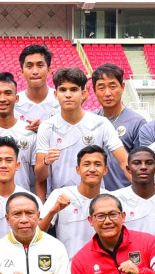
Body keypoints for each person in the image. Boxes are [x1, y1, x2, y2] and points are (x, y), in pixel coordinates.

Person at [33, 67, 127, 197]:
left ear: (83, 93)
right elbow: (39, 176)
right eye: (63, 90)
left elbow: (124, 162)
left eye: (73, 89)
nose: (68, 95)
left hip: (94, 199)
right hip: (61, 200)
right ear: (55, 94)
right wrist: (46, 162)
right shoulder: (47, 126)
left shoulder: (101, 123)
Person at [39, 145, 110, 257]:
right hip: (68, 264)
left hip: (103, 263)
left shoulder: (111, 199)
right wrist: (52, 212)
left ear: (105, 170)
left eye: (97, 164)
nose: (92, 169)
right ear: (78, 169)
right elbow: (37, 233)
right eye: (86, 164)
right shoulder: (60, 194)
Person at [90, 63, 148, 187]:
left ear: (122, 87)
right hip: (94, 193)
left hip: (124, 193)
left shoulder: (137, 123)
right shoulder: (90, 120)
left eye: (112, 86)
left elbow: (142, 164)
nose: (107, 93)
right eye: (101, 87)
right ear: (94, 90)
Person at [115, 147, 155, 237]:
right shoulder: (116, 199)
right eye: (137, 163)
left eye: (149, 163)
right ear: (128, 169)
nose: (143, 167)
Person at [16, 44, 59, 124]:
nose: (35, 71)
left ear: (49, 70)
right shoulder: (14, 103)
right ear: (21, 72)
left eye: (40, 65)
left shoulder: (61, 100)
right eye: (29, 66)